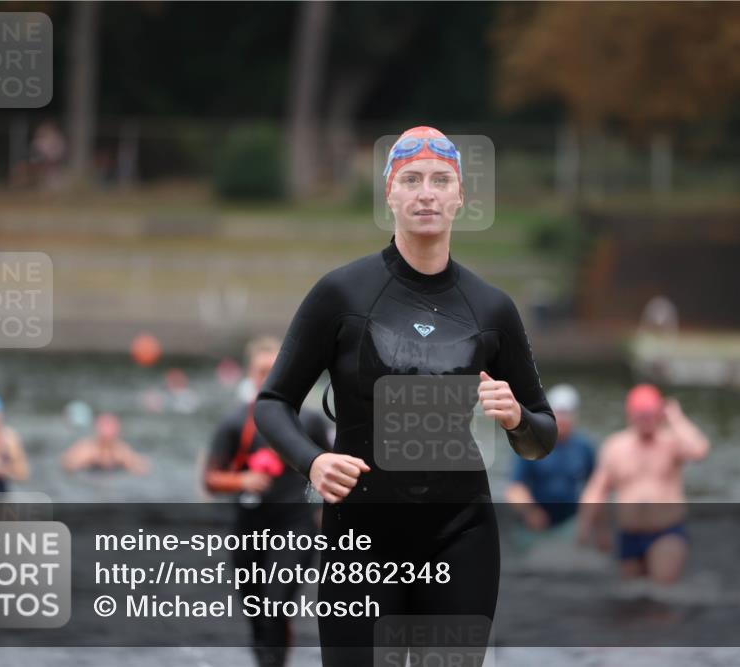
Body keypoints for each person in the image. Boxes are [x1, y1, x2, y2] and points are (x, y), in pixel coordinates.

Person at [254, 126, 556, 666]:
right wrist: (313, 461)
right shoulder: (341, 294)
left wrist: (515, 419)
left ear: (460, 196)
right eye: (411, 180)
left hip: (461, 533)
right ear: (389, 194)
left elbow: (542, 437)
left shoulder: (492, 309)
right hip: (363, 537)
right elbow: (272, 402)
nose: (426, 193)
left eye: (441, 180)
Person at [204, 336, 332, 667]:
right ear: (250, 374)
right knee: (257, 615)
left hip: (296, 527)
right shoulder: (236, 423)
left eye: (276, 370)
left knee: (276, 605)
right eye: (262, 371)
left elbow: (337, 470)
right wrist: (241, 480)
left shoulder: (311, 421)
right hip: (247, 529)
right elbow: (209, 479)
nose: (269, 377)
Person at [577, 384, 710, 584]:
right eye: (641, 415)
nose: (646, 421)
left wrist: (675, 417)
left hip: (666, 532)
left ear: (659, 414)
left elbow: (699, 450)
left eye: (651, 415)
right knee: (633, 601)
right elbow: (597, 489)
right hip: (629, 534)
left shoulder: (671, 443)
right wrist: (585, 526)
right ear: (630, 415)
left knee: (660, 592)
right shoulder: (616, 446)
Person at [505, 384, 596, 531]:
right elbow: (515, 488)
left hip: (570, 521)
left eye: (567, 414)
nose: (562, 419)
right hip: (536, 521)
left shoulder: (584, 447)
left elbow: (596, 485)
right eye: (558, 413)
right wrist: (530, 512)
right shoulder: (531, 445)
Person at [61, 413, 150, 474]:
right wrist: (89, 460)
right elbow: (67, 465)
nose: (107, 436)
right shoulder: (86, 448)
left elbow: (143, 468)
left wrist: (125, 463)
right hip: (89, 476)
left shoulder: (121, 450)